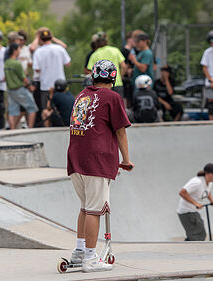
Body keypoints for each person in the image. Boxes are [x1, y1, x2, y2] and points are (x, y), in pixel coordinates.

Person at [67, 59, 133, 272]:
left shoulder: (81, 95)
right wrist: (126, 159)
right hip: (97, 160)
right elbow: (121, 130)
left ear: (93, 75)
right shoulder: (112, 97)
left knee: (86, 208)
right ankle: (90, 258)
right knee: (95, 211)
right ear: (113, 78)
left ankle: (79, 252)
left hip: (75, 159)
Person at [32, 28, 71, 122]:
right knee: (61, 107)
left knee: (46, 109)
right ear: (51, 37)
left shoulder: (39, 51)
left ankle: (47, 128)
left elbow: (37, 69)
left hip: (46, 85)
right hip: (60, 84)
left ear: (41, 39)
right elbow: (68, 63)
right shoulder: (59, 48)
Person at [176, 163, 213, 241]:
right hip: (186, 212)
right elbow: (182, 192)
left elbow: (207, 191)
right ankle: (187, 249)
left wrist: (211, 200)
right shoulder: (197, 182)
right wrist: (195, 203)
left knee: (200, 234)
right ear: (207, 174)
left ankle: (188, 247)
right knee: (197, 235)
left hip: (193, 211)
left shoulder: (209, 183)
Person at [4, 43, 37, 129]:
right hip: (19, 89)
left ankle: (12, 130)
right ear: (15, 51)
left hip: (10, 90)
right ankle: (30, 129)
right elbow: (24, 78)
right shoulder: (16, 64)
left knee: (12, 111)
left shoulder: (6, 62)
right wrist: (30, 87)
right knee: (32, 108)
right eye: (19, 49)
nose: (19, 51)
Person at [86, 32, 127, 102]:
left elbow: (89, 71)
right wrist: (120, 76)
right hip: (117, 83)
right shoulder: (115, 50)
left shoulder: (94, 54)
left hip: (101, 86)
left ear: (96, 42)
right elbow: (124, 66)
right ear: (106, 41)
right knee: (118, 107)